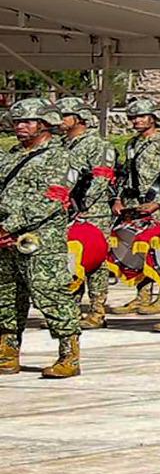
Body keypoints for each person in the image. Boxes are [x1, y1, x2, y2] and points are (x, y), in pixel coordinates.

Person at [0, 99, 82, 377]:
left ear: (45, 124)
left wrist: (10, 226)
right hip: (4, 239)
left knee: (52, 294)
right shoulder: (9, 155)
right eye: (17, 122)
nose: (20, 127)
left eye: (27, 122)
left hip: (40, 240)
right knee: (7, 296)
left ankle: (69, 355)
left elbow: (52, 198)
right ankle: (8, 352)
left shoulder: (61, 157)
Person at [56, 98, 117, 327]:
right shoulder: (62, 145)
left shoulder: (97, 145)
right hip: (66, 211)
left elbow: (102, 178)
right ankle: (71, 308)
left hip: (92, 212)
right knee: (71, 259)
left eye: (65, 115)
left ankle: (97, 310)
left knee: (96, 260)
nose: (60, 120)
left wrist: (84, 205)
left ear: (79, 117)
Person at [116, 99, 160, 314]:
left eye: (141, 116)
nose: (136, 121)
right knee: (139, 251)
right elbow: (125, 175)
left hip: (156, 204)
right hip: (135, 204)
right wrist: (118, 199)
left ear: (153, 117)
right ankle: (141, 296)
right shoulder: (131, 144)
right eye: (132, 118)